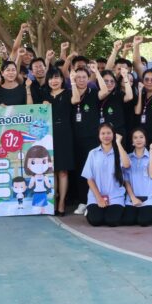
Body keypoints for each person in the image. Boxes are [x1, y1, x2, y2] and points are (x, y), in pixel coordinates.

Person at [71, 65, 112, 213]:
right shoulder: (71, 92)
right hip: (75, 138)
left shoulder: (93, 92)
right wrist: (72, 82)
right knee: (80, 171)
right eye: (78, 77)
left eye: (84, 77)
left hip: (92, 138)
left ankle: (93, 201)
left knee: (93, 171)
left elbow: (105, 91)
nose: (81, 80)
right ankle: (83, 201)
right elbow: (74, 101)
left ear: (89, 79)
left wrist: (97, 73)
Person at [81, 123, 132, 227]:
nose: (106, 136)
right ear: (99, 135)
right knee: (95, 221)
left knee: (112, 221)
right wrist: (99, 198)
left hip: (115, 196)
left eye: (109, 133)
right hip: (96, 196)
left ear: (113, 134)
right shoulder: (93, 153)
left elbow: (127, 164)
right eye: (103, 133)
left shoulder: (119, 152)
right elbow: (89, 179)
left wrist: (118, 143)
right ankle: (90, 210)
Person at [42, 69, 73, 214]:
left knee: (63, 171)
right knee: (51, 171)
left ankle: (62, 203)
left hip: (64, 134)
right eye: (51, 78)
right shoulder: (44, 95)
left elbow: (76, 100)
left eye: (57, 78)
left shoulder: (68, 93)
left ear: (62, 79)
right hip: (48, 135)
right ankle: (53, 201)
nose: (53, 81)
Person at [121, 129, 152, 227]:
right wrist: (133, 198)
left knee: (144, 221)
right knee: (128, 221)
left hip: (149, 198)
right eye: (135, 137)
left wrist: (151, 154)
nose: (138, 140)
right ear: (132, 141)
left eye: (141, 137)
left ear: (145, 140)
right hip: (132, 198)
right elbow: (126, 181)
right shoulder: (128, 157)